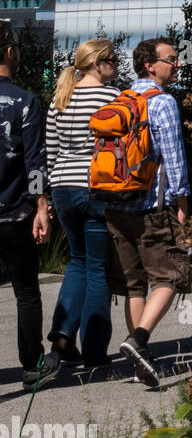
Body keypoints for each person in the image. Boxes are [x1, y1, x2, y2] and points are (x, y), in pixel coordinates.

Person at [102, 39, 191, 388]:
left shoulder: (120, 99)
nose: (178, 64)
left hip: (114, 203)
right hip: (150, 206)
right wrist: (182, 201)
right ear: (150, 65)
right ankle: (138, 341)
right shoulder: (162, 102)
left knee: (134, 284)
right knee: (171, 276)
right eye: (172, 59)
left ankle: (139, 356)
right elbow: (173, 156)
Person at [44, 39, 119, 371]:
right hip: (96, 186)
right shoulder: (113, 98)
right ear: (99, 63)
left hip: (62, 186)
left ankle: (62, 333)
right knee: (97, 267)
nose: (117, 65)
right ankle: (94, 349)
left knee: (76, 261)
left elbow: (50, 152)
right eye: (113, 59)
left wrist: (44, 196)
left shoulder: (60, 98)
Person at [0, 21, 58, 390]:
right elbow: (35, 161)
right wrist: (41, 206)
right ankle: (32, 364)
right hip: (15, 213)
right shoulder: (25, 101)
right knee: (25, 290)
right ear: (9, 51)